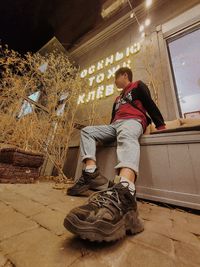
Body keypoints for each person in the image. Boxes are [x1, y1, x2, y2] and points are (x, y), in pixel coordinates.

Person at [64, 67, 166, 242]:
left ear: (124, 75)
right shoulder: (117, 99)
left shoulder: (137, 85)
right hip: (114, 126)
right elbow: (113, 119)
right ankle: (90, 171)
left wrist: (160, 125)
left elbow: (149, 103)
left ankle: (126, 190)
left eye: (115, 78)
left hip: (133, 121)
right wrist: (107, 136)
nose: (114, 82)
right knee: (87, 131)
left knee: (126, 135)